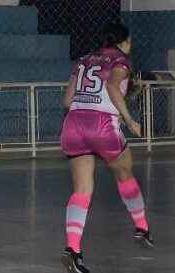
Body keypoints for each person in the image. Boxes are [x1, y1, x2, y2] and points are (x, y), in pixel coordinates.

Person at [59, 23, 152, 273]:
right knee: (124, 173)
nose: (130, 47)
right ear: (121, 43)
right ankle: (142, 227)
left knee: (81, 191)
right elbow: (111, 86)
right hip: (102, 126)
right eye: (129, 42)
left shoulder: (83, 60)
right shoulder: (121, 60)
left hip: (74, 124)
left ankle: (73, 250)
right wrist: (130, 120)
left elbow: (67, 100)